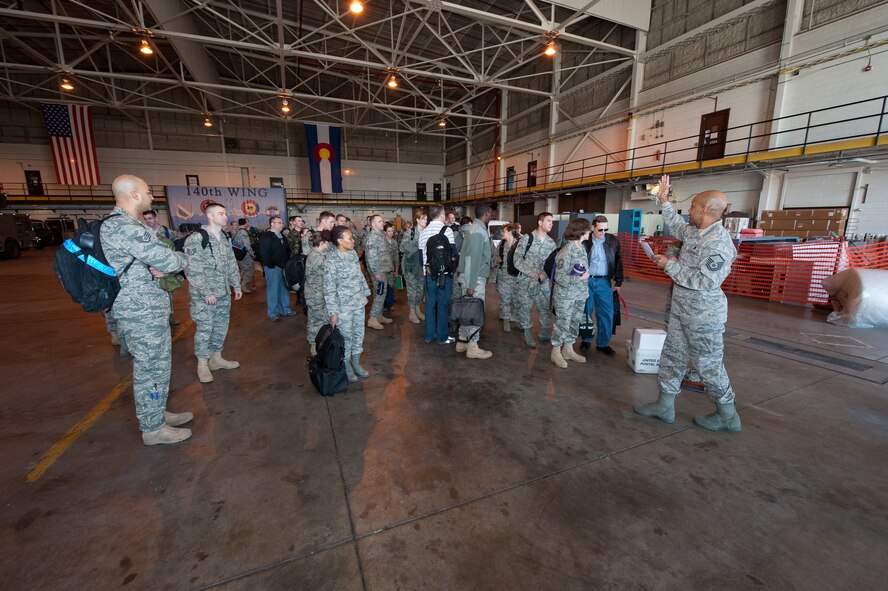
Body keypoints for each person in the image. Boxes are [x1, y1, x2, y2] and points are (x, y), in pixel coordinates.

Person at [633, 174, 741, 432]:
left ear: (704, 209)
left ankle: (727, 414)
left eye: (692, 206)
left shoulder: (718, 243)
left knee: (708, 366)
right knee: (672, 356)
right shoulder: (695, 232)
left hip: (703, 316)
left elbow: (704, 281)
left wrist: (669, 265)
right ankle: (665, 405)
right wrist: (663, 200)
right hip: (681, 310)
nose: (689, 210)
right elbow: (675, 225)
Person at [102, 175, 191, 446]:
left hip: (143, 306)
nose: (152, 196)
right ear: (135, 195)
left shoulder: (120, 225)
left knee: (156, 366)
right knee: (151, 366)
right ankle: (153, 428)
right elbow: (164, 257)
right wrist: (182, 258)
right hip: (140, 309)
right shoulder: (125, 227)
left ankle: (155, 413)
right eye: (148, 192)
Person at [183, 203, 243, 383]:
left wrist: (236, 285)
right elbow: (192, 269)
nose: (225, 216)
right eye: (221, 213)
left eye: (225, 213)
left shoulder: (224, 237)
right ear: (209, 216)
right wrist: (206, 292)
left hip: (223, 292)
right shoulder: (196, 239)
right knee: (205, 329)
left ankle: (216, 359)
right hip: (205, 296)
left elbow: (231, 262)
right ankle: (202, 364)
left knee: (221, 326)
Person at [323, 226, 371, 382]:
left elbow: (359, 275)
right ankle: (347, 366)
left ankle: (356, 363)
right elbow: (329, 289)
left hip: (358, 303)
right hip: (343, 307)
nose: (353, 240)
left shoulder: (352, 255)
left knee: (359, 335)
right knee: (347, 338)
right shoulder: (331, 261)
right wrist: (333, 312)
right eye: (349, 238)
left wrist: (365, 292)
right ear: (339, 240)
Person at [579, 215, 624, 356]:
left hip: (604, 282)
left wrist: (619, 281)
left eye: (606, 230)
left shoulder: (613, 241)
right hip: (586, 282)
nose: (603, 233)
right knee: (586, 312)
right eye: (600, 230)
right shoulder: (585, 241)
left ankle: (603, 343)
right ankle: (586, 339)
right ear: (593, 228)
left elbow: (618, 261)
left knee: (606, 313)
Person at [550, 218, 592, 368]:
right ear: (581, 230)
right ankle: (556, 352)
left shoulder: (582, 247)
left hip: (579, 294)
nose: (590, 231)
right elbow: (559, 277)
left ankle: (568, 349)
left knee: (574, 323)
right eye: (588, 229)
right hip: (565, 296)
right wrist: (580, 278)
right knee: (563, 323)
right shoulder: (566, 251)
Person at [455, 204, 494, 360]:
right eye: (491, 213)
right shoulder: (478, 231)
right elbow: (473, 260)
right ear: (486, 214)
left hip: (470, 276)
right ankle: (473, 347)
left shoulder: (474, 229)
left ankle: (462, 341)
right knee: (475, 312)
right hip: (474, 278)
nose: (492, 215)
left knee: (466, 310)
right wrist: (471, 285)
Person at [514, 212, 556, 348]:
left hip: (543, 283)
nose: (551, 224)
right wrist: (530, 272)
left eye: (552, 221)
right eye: (549, 221)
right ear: (540, 222)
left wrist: (545, 273)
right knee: (525, 307)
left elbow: (552, 263)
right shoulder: (527, 239)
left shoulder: (551, 243)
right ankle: (527, 333)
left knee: (545, 308)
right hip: (527, 281)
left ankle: (543, 331)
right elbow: (517, 259)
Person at [419, 205, 456, 345]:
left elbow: (420, 257)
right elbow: (453, 254)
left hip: (429, 274)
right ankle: (442, 337)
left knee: (429, 305)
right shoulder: (448, 231)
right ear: (442, 214)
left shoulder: (423, 232)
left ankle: (429, 335)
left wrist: (425, 270)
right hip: (444, 275)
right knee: (443, 305)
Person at [142, 209, 179, 326]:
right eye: (146, 219)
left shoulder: (167, 232)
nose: (148, 221)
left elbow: (177, 247)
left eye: (150, 218)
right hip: (149, 269)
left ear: (156, 218)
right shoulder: (143, 232)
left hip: (165, 269)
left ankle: (169, 317)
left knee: (167, 293)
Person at [258, 216, 293, 321]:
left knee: (284, 289)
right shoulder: (266, 236)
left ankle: (285, 309)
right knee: (273, 290)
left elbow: (287, 251)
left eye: (282, 223)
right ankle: (272, 313)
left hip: (283, 267)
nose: (282, 224)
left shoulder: (282, 236)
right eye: (279, 222)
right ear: (272, 224)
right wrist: (270, 265)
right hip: (272, 267)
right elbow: (264, 253)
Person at [304, 230, 332, 355]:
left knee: (323, 318)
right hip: (315, 294)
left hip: (320, 293)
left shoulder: (319, 254)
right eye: (328, 242)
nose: (330, 244)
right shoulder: (316, 256)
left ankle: (320, 340)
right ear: (323, 243)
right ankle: (313, 343)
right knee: (315, 320)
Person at [364, 214, 394, 329]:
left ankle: (379, 315)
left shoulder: (380, 235)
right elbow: (372, 257)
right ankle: (372, 318)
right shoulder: (372, 237)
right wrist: (376, 273)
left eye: (382, 221)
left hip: (383, 269)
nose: (382, 223)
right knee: (380, 294)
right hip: (379, 271)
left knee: (381, 293)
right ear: (373, 224)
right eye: (379, 221)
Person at [399, 208, 427, 324]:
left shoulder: (427, 232)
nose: (425, 221)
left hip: (421, 265)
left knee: (420, 289)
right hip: (410, 265)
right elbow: (402, 248)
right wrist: (416, 245)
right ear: (417, 220)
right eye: (423, 219)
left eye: (426, 219)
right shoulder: (410, 233)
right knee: (412, 289)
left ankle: (417, 308)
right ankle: (411, 312)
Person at [495, 223, 518, 333]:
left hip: (516, 277)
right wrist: (497, 259)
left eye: (503, 231)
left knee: (516, 300)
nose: (501, 233)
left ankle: (515, 318)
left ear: (509, 232)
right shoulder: (501, 244)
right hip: (504, 276)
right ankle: (506, 321)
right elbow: (495, 256)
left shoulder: (519, 244)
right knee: (505, 300)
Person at [232, 218, 255, 293]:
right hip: (245, 255)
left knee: (245, 269)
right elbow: (247, 245)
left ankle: (248, 286)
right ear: (246, 223)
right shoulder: (243, 232)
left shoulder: (237, 231)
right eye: (248, 222)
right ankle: (243, 285)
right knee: (250, 269)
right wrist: (252, 254)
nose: (249, 223)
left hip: (239, 255)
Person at [383, 222, 399, 315]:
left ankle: (390, 304)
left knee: (391, 286)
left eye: (392, 231)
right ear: (385, 232)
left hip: (391, 268)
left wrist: (397, 268)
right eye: (389, 231)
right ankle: (384, 305)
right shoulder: (382, 242)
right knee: (384, 287)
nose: (391, 233)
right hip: (383, 268)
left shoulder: (394, 242)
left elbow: (396, 256)